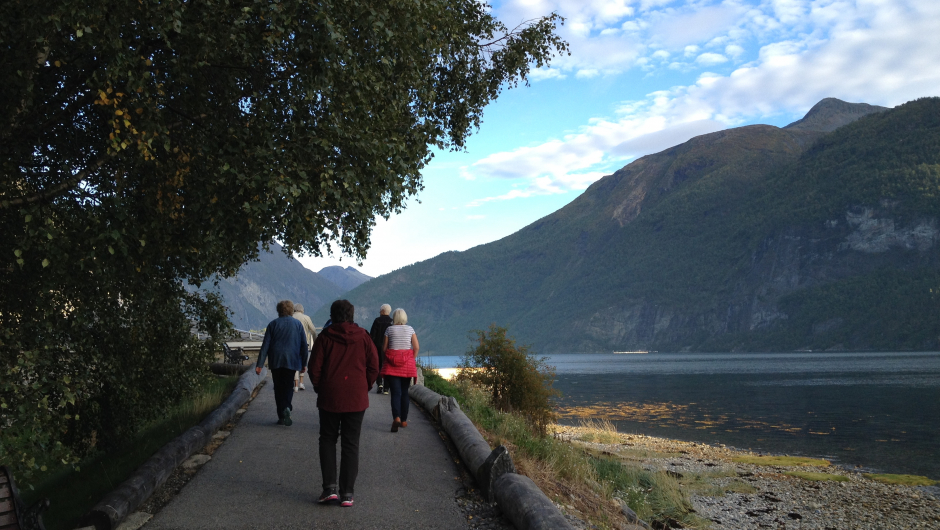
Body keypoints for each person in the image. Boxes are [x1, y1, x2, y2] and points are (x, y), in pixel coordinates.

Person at [308, 300, 378, 507]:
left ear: (333, 314)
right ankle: (347, 493)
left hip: (330, 396)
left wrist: (321, 387)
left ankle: (329, 489)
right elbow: (374, 366)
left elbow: (314, 368)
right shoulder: (364, 337)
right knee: (351, 443)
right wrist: (364, 386)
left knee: (328, 439)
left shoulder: (325, 338)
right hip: (356, 398)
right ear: (352, 314)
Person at [255, 300, 308, 426]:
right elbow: (303, 347)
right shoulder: (298, 325)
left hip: (276, 360)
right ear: (291, 310)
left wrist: (259, 365)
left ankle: (281, 415)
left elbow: (265, 346)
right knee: (288, 386)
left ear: (278, 310)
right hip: (292, 360)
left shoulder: (272, 324)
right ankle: (287, 407)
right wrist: (304, 364)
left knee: (278, 388)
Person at [380, 308, 418, 433]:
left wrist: (391, 356)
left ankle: (396, 417)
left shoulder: (389, 329)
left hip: (392, 366)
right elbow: (416, 347)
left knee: (395, 393)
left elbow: (384, 348)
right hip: (406, 366)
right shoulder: (410, 329)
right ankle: (404, 420)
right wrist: (411, 359)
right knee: (405, 392)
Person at [292, 303, 318, 392]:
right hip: (304, 344)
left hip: (292, 344)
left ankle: (295, 384)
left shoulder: (291, 317)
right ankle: (301, 383)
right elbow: (313, 331)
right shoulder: (306, 318)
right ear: (302, 310)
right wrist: (315, 342)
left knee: (294, 362)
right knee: (303, 362)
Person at [368, 304, 393, 394]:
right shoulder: (392, 321)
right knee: (387, 366)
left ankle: (379, 384)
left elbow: (372, 335)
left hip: (377, 346)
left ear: (382, 311)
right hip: (389, 347)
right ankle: (386, 388)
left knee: (378, 365)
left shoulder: (377, 321)